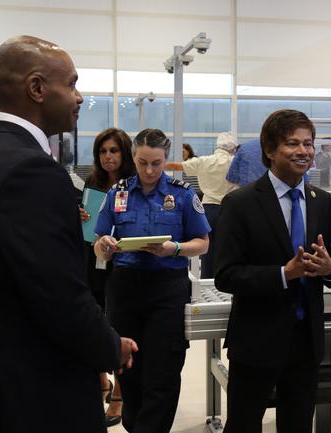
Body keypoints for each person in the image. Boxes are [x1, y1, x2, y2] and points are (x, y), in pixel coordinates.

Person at [0, 35, 138, 433]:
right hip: (37, 396)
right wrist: (110, 347)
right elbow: (60, 296)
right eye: (71, 84)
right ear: (36, 88)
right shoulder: (30, 170)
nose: (79, 97)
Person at [214, 109, 331, 433]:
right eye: (293, 143)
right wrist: (283, 274)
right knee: (244, 425)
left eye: (308, 143)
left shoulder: (321, 201)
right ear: (270, 150)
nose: (303, 151)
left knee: (298, 425)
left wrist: (330, 267)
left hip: (306, 341)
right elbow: (226, 275)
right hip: (256, 340)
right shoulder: (240, 204)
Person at [94, 128, 210, 433]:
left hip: (167, 288)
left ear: (166, 159)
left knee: (163, 371)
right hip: (124, 288)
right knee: (128, 368)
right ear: (133, 157)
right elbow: (99, 242)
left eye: (156, 163)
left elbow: (203, 243)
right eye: (142, 162)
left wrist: (175, 249)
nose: (149, 170)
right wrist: (104, 245)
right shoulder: (117, 193)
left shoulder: (182, 194)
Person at [79, 127, 135, 427]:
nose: (108, 157)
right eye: (102, 151)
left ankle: (120, 393)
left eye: (114, 150)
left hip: (122, 262)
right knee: (91, 318)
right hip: (91, 260)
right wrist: (79, 215)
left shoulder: (134, 185)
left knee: (118, 323)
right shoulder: (91, 184)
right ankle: (100, 380)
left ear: (125, 153)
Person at [164, 132, 238, 278]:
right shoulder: (235, 162)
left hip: (209, 208)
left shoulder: (205, 161)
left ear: (217, 146)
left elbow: (177, 166)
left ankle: (207, 281)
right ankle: (227, 280)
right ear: (233, 148)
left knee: (207, 250)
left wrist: (154, 165)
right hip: (230, 209)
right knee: (230, 249)